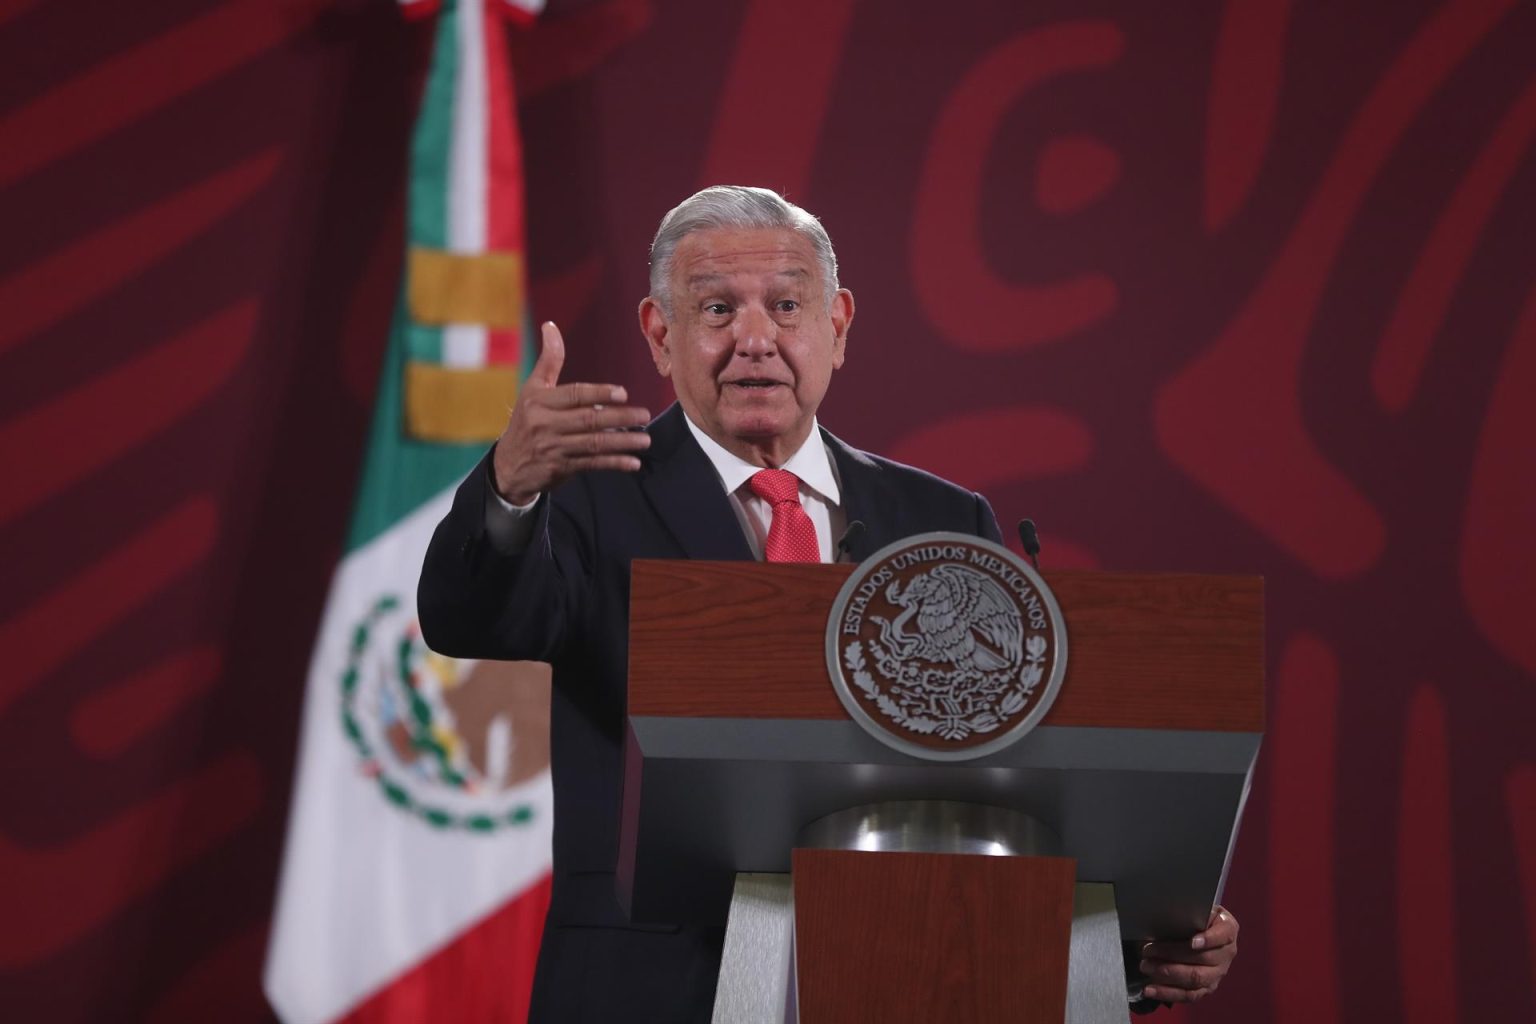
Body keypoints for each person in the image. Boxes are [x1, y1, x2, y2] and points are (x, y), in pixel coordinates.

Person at [418, 186, 1238, 1020]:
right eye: (716, 309)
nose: (755, 340)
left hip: (917, 976)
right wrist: (510, 491)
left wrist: (1130, 943)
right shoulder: (587, 499)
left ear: (837, 326)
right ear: (661, 336)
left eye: (785, 305)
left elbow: (1014, 768)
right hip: (651, 989)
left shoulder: (945, 520)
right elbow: (471, 618)